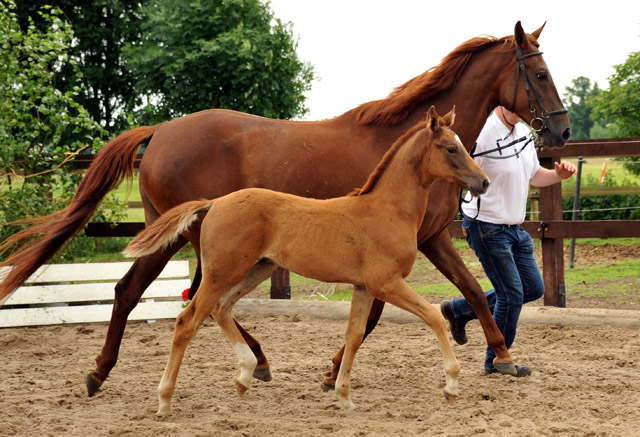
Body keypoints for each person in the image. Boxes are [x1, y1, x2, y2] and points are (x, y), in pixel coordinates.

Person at [440, 106, 576, 377]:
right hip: (487, 226)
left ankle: (458, 309)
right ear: (500, 104)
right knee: (511, 294)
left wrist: (559, 175)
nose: (517, 111)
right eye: (511, 107)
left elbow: (533, 175)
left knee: (532, 288)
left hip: (516, 228)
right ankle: (497, 360)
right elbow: (456, 170)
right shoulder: (482, 135)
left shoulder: (524, 132)